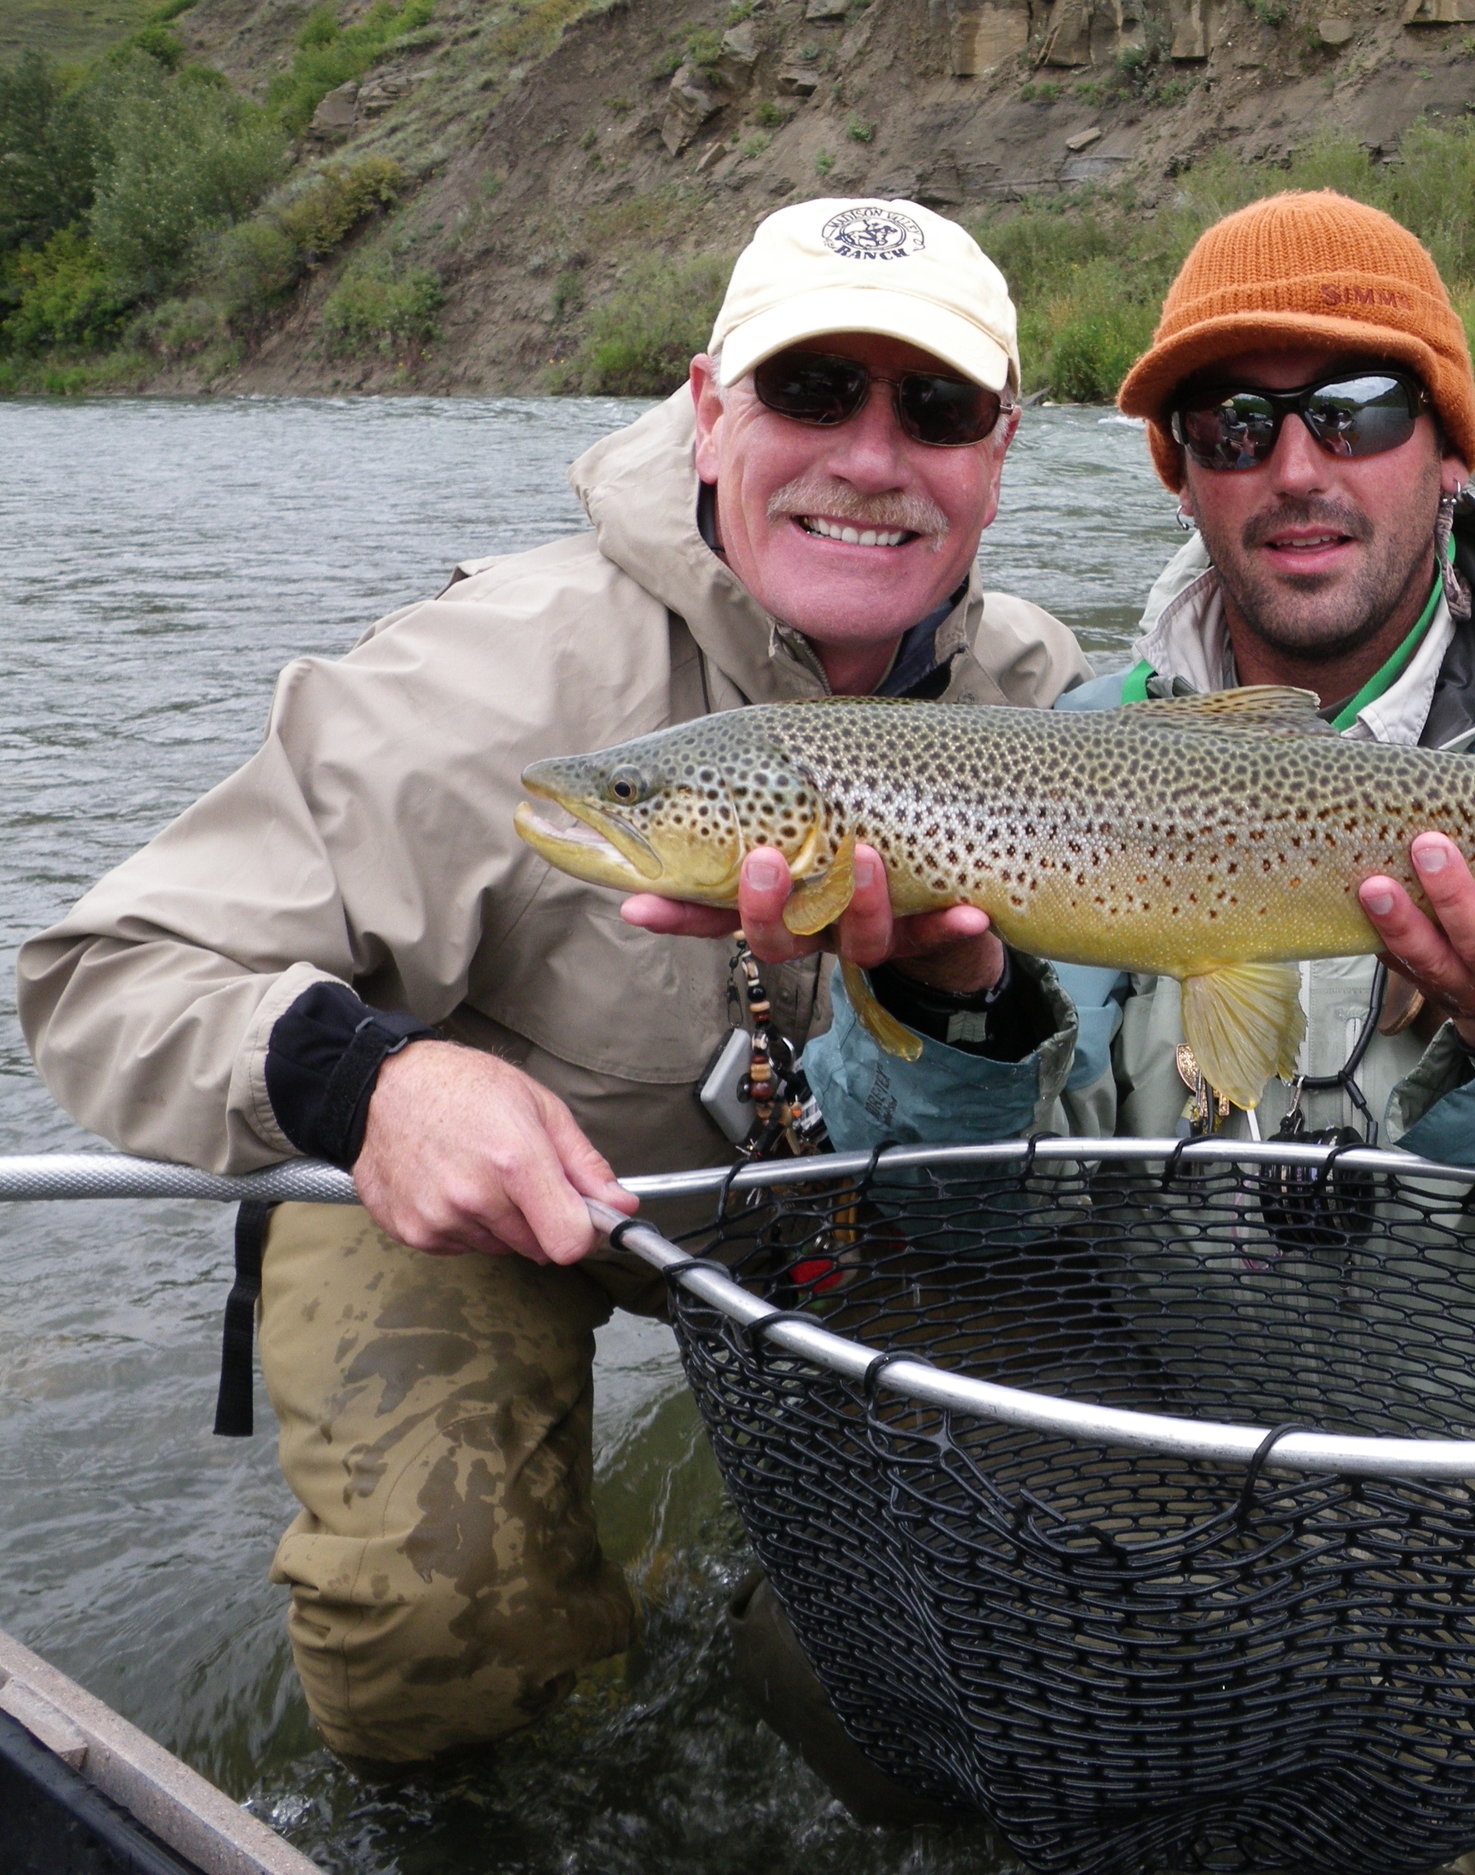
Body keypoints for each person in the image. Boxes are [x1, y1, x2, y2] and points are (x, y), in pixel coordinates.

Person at [718, 192, 1475, 1875]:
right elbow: (958, 1223)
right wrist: (957, 1012)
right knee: (828, 1708)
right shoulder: (1074, 752)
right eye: (1234, 423)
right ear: (1175, 466)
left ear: (1451, 448)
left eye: (1358, 413)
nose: (1295, 466)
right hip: (1187, 1461)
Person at [13, 197, 1090, 1772]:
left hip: (840, 1222)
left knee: (998, 1647)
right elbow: (100, 972)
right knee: (438, 1632)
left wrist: (965, 1007)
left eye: (931, 408)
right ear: (712, 414)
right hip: (480, 1200)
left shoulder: (1045, 703)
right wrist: (370, 1081)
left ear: (1000, 451)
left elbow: (1070, 1134)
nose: (870, 456)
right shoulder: (490, 680)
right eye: (810, 392)